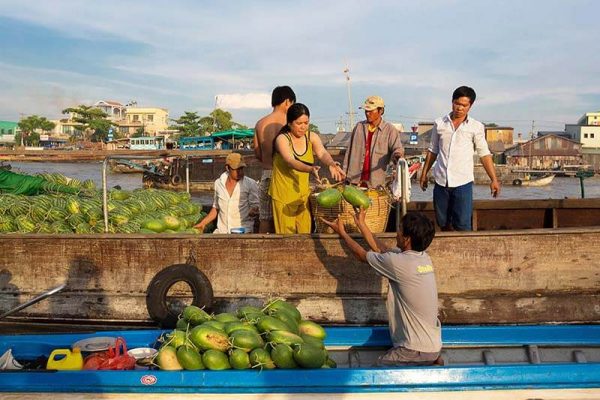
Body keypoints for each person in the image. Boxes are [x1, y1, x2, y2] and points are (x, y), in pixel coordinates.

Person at [321, 210, 442, 366]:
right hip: (433, 347)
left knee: (374, 373)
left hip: (413, 349)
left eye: (399, 229)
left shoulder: (399, 263)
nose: (396, 233)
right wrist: (362, 225)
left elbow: (361, 255)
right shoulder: (423, 258)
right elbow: (382, 250)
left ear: (406, 239)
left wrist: (342, 233)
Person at [419, 86, 501, 231]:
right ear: (452, 102)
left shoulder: (476, 127)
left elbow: (484, 154)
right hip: (441, 181)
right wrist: (424, 174)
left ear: (470, 106)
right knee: (442, 222)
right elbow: (433, 150)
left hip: (463, 183)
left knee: (463, 224)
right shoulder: (440, 123)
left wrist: (494, 180)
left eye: (464, 105)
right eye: (457, 104)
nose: (460, 108)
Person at [269, 103, 345, 234]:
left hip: (303, 196)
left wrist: (332, 164)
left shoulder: (312, 136)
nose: (303, 127)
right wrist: (309, 169)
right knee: (286, 238)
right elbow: (290, 161)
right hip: (283, 196)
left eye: (306, 122)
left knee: (306, 234)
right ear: (289, 123)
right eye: (299, 123)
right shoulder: (282, 139)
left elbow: (322, 153)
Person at [254, 86, 296, 233]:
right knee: (285, 216)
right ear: (287, 102)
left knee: (265, 218)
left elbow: (257, 152)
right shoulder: (290, 123)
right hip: (284, 176)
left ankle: (261, 250)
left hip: (266, 173)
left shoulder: (260, 123)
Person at [343, 95, 404, 188]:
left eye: (371, 111)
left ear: (381, 111)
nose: (367, 113)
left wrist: (397, 155)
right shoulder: (358, 127)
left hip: (376, 184)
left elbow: (398, 148)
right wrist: (344, 174)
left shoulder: (390, 130)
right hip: (354, 181)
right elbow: (348, 153)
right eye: (366, 111)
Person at [194, 153, 259, 234]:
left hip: (243, 231)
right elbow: (216, 208)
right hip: (222, 232)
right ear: (227, 168)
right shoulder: (218, 183)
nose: (240, 172)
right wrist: (203, 223)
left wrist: (253, 211)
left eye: (241, 168)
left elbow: (255, 206)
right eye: (236, 169)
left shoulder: (251, 184)